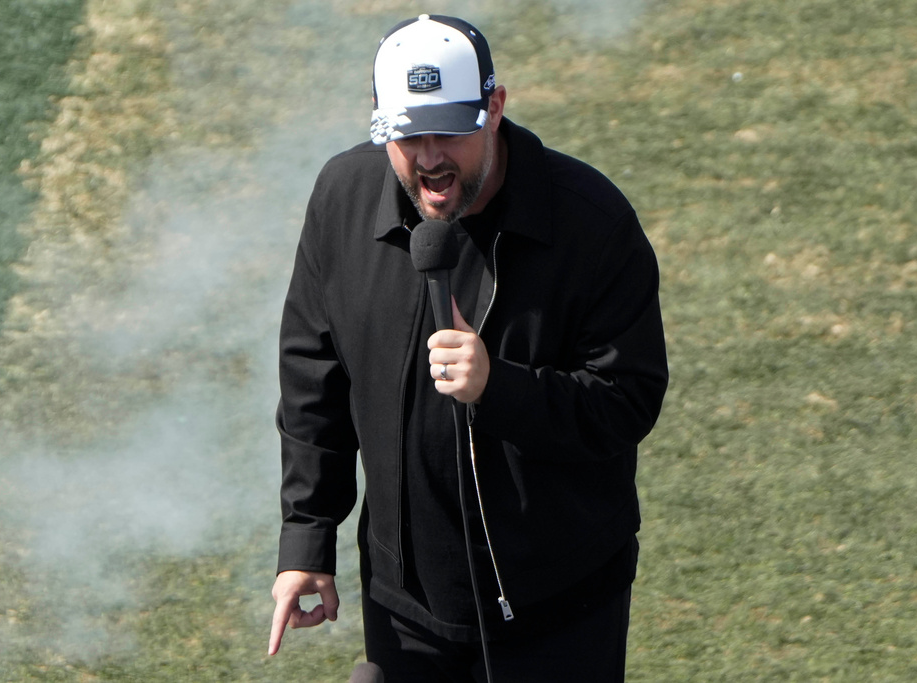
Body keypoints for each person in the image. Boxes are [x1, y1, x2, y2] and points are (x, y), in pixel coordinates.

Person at [269, 14, 668, 682]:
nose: (429, 157)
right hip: (407, 608)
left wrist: (499, 387)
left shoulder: (591, 226)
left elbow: (628, 399)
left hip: (560, 613)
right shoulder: (342, 200)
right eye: (407, 133)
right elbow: (315, 373)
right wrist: (306, 534)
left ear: (496, 108)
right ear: (378, 119)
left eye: (449, 130)